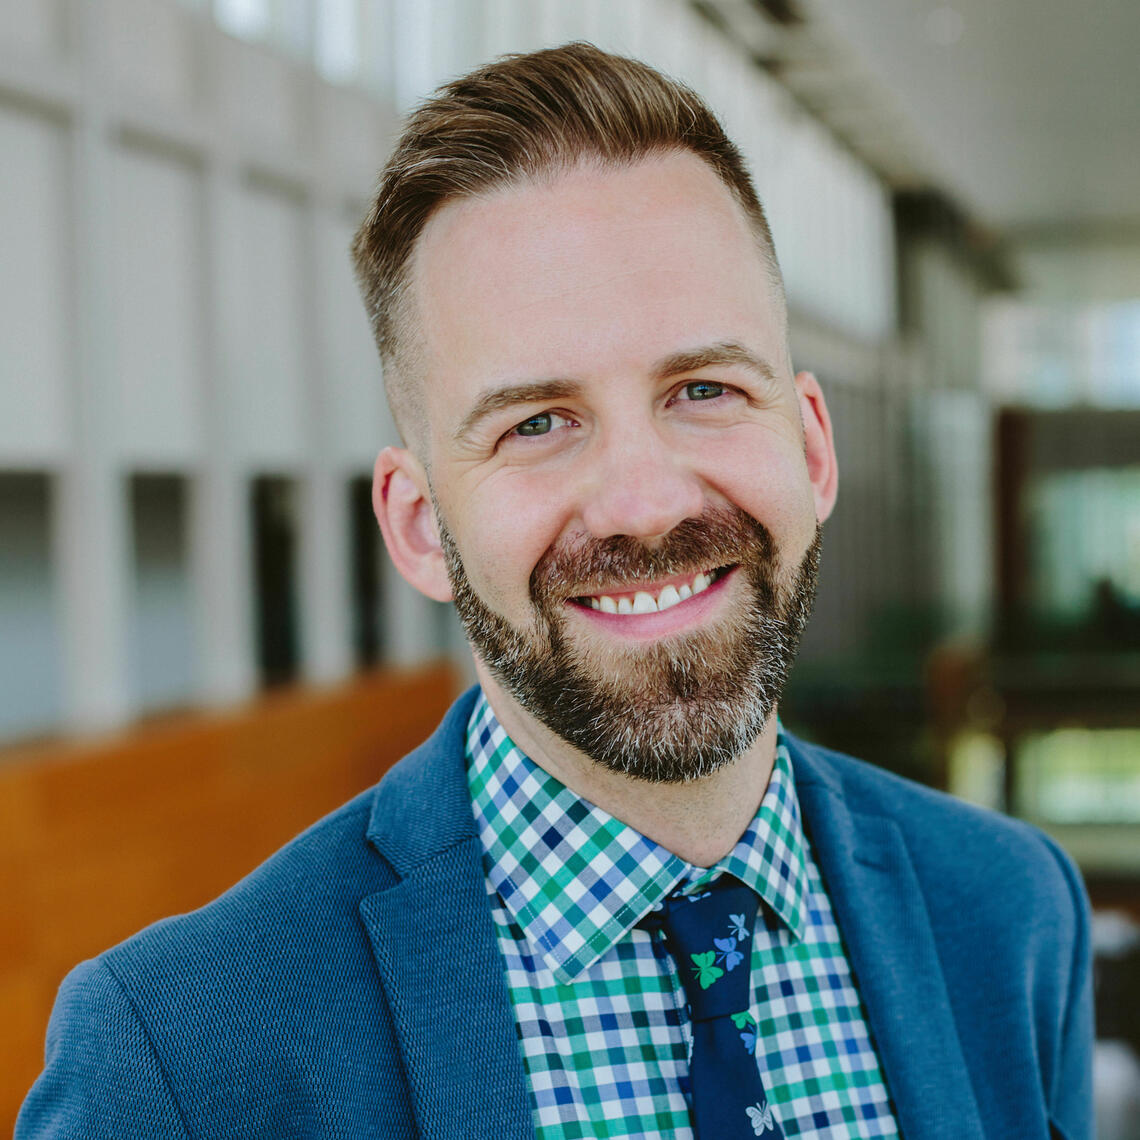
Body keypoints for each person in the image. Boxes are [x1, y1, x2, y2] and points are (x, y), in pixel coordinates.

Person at [18, 42, 1092, 1140]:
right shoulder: (182, 1060)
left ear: (812, 446)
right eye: (536, 423)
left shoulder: (1010, 919)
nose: (642, 502)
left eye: (705, 388)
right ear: (420, 525)